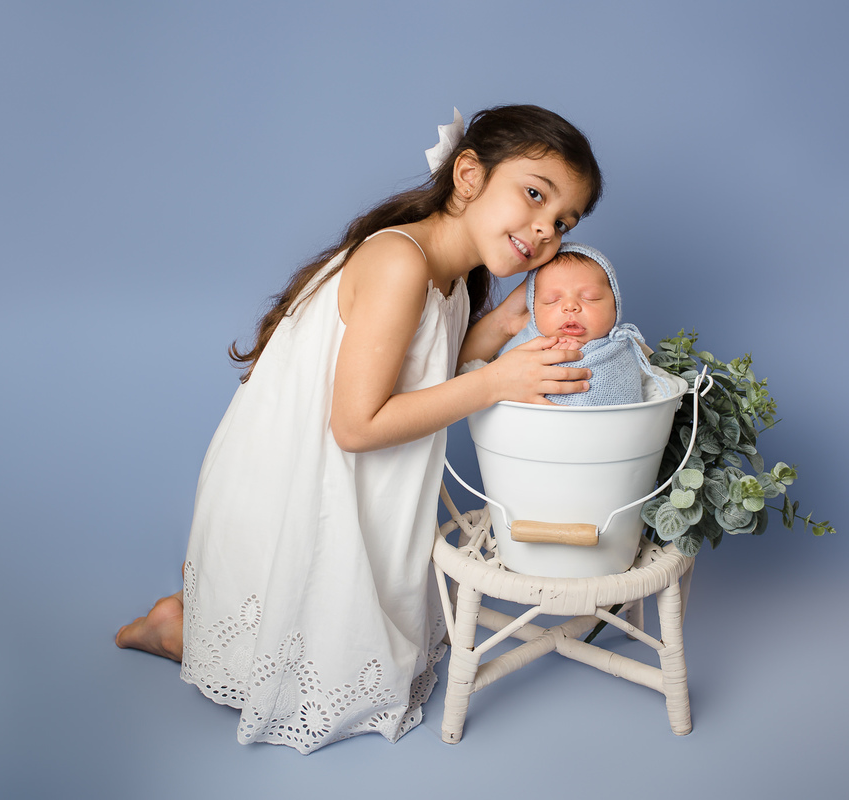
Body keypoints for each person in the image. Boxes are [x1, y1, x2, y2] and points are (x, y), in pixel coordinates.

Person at [115, 105, 602, 752]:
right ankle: (176, 628)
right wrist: (495, 382)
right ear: (467, 176)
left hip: (355, 468)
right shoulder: (401, 262)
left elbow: (425, 372)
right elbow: (355, 423)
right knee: (314, 654)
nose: (545, 229)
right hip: (305, 469)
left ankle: (182, 617)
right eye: (535, 195)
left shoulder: (453, 275)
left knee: (362, 629)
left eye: (563, 222)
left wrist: (506, 327)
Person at [497, 242, 668, 405]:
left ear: (615, 307)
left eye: (590, 297)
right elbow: (502, 380)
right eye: (552, 300)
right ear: (533, 310)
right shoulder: (525, 344)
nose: (570, 306)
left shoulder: (622, 347)